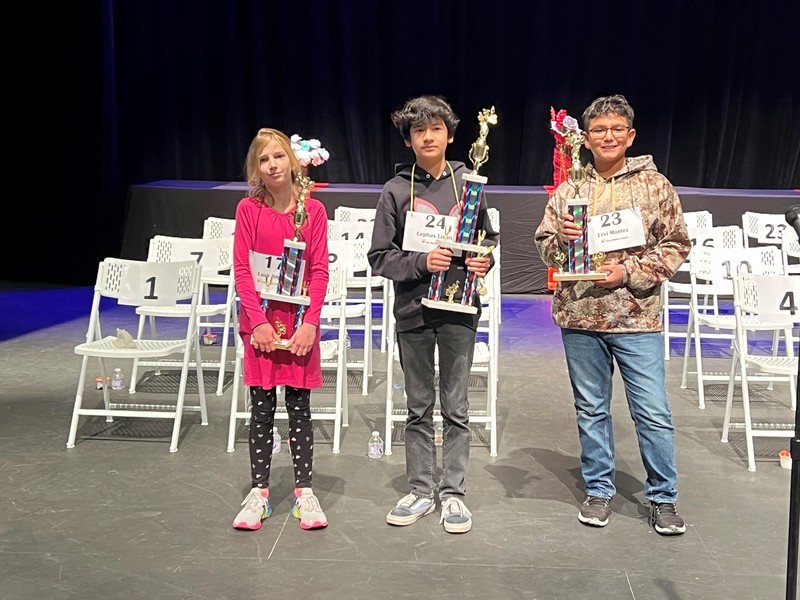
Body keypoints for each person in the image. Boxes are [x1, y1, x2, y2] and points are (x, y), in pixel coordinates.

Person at [534, 94, 691, 536]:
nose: (608, 136)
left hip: (635, 316)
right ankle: (599, 490)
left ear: (630, 135)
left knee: (652, 411)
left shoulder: (654, 185)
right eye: (599, 130)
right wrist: (561, 240)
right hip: (581, 315)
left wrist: (629, 271)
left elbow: (676, 243)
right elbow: (544, 245)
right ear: (585, 138)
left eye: (616, 129)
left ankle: (663, 497)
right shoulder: (570, 189)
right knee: (591, 410)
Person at [368, 95, 499, 534]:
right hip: (413, 310)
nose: (428, 136)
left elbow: (487, 240)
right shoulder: (394, 190)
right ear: (408, 140)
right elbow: (380, 258)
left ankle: (454, 494)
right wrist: (422, 263)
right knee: (419, 407)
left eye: (436, 128)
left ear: (450, 134)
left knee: (457, 407)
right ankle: (422, 489)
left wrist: (484, 260)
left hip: (460, 307)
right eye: (419, 130)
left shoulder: (471, 183)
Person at [231, 128, 329, 531]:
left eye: (278, 156)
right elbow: (241, 271)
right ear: (256, 168)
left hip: (299, 325)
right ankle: (261, 494)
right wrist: (256, 323)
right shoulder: (247, 210)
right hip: (260, 327)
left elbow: (320, 271)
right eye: (264, 159)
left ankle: (305, 493)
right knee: (261, 409)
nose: (272, 165)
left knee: (300, 409)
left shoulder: (314, 211)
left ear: (292, 160)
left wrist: (310, 323)